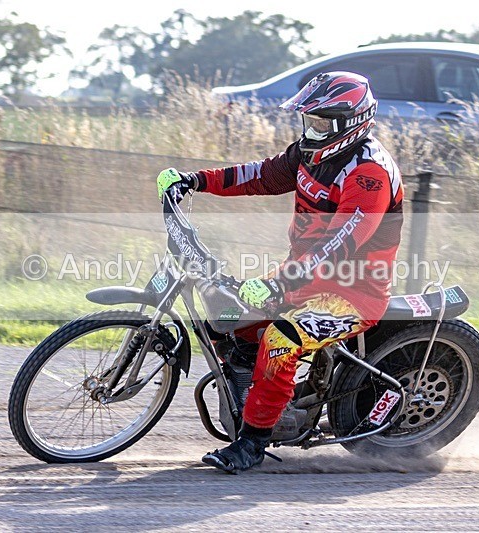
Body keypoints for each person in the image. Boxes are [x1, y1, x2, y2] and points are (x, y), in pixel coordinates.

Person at [156, 71, 404, 474]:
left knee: (280, 339)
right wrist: (196, 180)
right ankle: (262, 396)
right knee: (227, 317)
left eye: (321, 123)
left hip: (353, 294)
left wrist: (277, 283)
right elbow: (261, 175)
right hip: (303, 276)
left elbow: (341, 243)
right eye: (310, 120)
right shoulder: (310, 153)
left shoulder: (368, 175)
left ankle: (253, 442)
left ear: (351, 123)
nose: (312, 130)